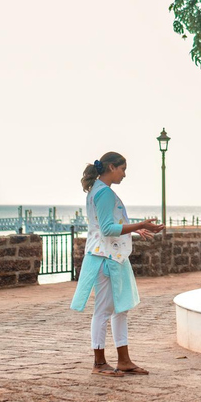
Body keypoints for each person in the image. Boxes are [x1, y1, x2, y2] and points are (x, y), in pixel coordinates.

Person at [70, 152, 165, 377]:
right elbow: (106, 229)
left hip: (112, 256)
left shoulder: (100, 191)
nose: (124, 173)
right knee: (103, 311)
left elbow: (113, 226)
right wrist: (140, 224)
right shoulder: (104, 194)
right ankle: (99, 363)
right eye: (122, 169)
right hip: (105, 258)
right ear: (111, 167)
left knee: (120, 309)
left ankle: (124, 360)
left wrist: (136, 230)